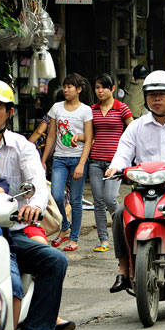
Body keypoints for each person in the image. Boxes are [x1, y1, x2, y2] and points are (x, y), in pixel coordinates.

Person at [0, 80, 69, 330]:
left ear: (9, 112)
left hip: (9, 232)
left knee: (54, 261)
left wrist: (34, 206)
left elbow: (38, 183)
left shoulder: (21, 147)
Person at [103, 70, 165, 294]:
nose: (156, 99)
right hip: (143, 189)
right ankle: (122, 268)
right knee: (120, 214)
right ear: (146, 98)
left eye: (162, 94)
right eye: (151, 95)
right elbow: (123, 152)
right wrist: (115, 167)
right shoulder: (136, 126)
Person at [42, 73, 94, 252]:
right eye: (64, 87)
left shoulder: (85, 110)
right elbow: (51, 135)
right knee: (56, 195)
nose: (66, 90)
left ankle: (73, 238)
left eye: (70, 87)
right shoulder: (56, 108)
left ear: (78, 89)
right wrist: (43, 159)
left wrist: (81, 163)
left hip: (78, 158)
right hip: (59, 159)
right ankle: (65, 226)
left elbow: (89, 139)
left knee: (76, 200)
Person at [88, 73, 133, 253]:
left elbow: (133, 130)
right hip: (95, 161)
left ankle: (125, 227)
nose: (100, 91)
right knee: (98, 201)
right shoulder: (92, 110)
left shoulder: (122, 108)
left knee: (109, 198)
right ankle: (104, 240)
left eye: (103, 87)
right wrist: (79, 138)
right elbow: (89, 134)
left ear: (112, 89)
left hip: (115, 161)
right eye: (97, 88)